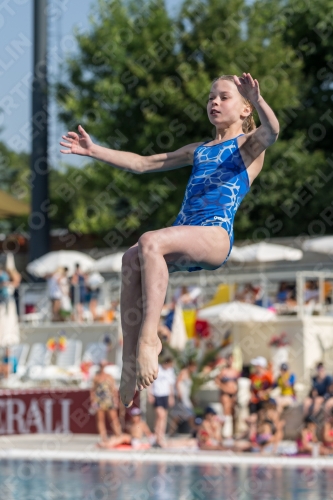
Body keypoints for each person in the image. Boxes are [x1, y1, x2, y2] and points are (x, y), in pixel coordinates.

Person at [60, 72, 280, 407]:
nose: (214, 102)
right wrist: (95, 151)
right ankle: (130, 360)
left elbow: (273, 131)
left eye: (224, 97)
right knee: (130, 258)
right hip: (185, 230)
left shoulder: (247, 146)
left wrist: (259, 98)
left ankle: (150, 340)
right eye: (210, 97)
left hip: (215, 233)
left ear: (245, 110)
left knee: (150, 241)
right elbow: (143, 163)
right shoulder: (199, 150)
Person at [90, 360, 122, 443]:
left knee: (113, 419)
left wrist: (115, 399)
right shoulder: (96, 377)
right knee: (100, 419)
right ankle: (103, 437)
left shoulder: (109, 376)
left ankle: (118, 435)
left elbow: (113, 389)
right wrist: (93, 401)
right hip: (99, 400)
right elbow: (93, 390)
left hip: (108, 400)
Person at [148, 357, 175, 447]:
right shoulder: (157, 368)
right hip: (157, 394)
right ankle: (156, 435)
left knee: (163, 417)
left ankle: (160, 436)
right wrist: (150, 394)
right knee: (160, 415)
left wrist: (171, 396)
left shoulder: (170, 371)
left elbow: (170, 384)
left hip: (165, 395)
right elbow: (151, 382)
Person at [246, 356, 274, 442]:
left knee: (263, 417)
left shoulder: (268, 375)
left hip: (264, 401)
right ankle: (252, 437)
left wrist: (264, 393)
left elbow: (272, 387)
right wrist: (251, 395)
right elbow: (251, 388)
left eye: (256, 365)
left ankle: (265, 436)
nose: (255, 367)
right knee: (252, 418)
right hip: (255, 401)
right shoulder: (253, 376)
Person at [169, 360, 197, 436]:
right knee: (190, 414)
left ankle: (172, 431)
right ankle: (194, 431)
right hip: (182, 397)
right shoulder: (183, 372)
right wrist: (179, 392)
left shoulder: (189, 374)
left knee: (178, 415)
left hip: (186, 397)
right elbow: (177, 382)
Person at [215, 352, 240, 437]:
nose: (230, 361)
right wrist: (224, 387)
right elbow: (217, 381)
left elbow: (238, 383)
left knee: (233, 413)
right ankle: (221, 433)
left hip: (233, 394)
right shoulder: (223, 371)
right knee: (225, 413)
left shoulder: (235, 371)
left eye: (232, 359)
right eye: (229, 359)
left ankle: (233, 433)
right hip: (225, 394)